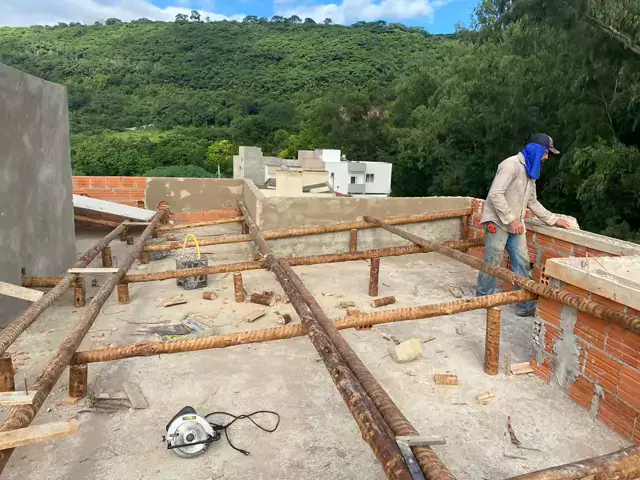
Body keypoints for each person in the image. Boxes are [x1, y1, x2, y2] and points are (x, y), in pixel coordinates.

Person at [476, 133, 572, 316]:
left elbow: (532, 201)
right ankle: (483, 298)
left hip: (515, 225)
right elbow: (495, 194)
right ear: (537, 150)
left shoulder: (530, 171)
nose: (546, 158)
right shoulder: (510, 165)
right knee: (492, 261)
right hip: (496, 221)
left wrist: (553, 220)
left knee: (522, 262)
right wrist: (511, 219)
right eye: (546, 153)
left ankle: (524, 305)